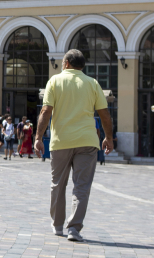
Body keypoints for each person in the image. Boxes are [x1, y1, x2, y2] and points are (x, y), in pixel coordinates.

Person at [34, 49, 113, 243]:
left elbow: (46, 111)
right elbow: (104, 114)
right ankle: (74, 229)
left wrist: (38, 136)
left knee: (57, 185)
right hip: (87, 142)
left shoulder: (55, 81)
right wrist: (108, 137)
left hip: (61, 141)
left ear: (67, 63)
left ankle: (58, 225)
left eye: (62, 62)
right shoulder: (93, 83)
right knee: (82, 187)